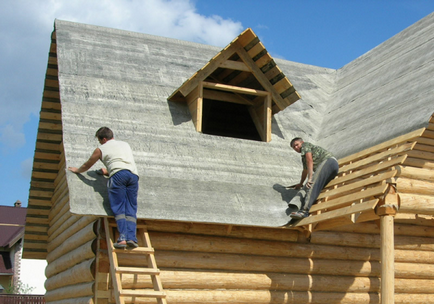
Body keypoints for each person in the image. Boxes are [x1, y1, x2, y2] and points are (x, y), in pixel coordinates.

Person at [68, 127, 139, 248]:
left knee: (119, 207)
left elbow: (87, 164)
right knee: (131, 207)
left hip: (118, 176)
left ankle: (122, 238)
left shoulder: (101, 149)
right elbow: (122, 162)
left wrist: (77, 170)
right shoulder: (124, 144)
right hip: (133, 176)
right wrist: (107, 171)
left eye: (100, 141)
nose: (100, 143)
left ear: (104, 139)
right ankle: (132, 238)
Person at [289, 137, 339, 219]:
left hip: (328, 162)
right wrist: (301, 184)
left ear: (302, 142)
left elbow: (310, 161)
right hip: (332, 166)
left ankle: (304, 211)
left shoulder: (305, 145)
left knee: (311, 183)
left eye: (297, 145)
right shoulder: (303, 157)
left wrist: (309, 178)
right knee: (314, 186)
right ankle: (306, 206)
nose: (296, 148)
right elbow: (305, 171)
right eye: (294, 147)